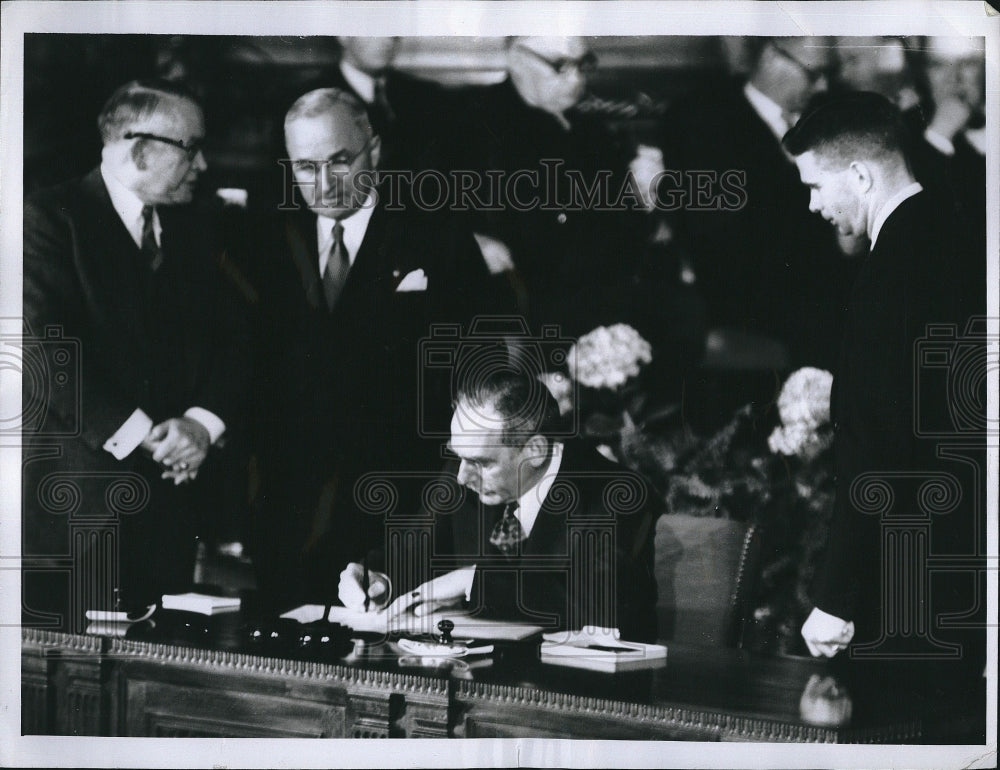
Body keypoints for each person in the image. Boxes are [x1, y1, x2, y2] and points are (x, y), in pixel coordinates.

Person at [249, 88, 497, 608]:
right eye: (305, 166)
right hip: (286, 514)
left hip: (398, 516)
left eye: (340, 161)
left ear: (375, 151)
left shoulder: (440, 240)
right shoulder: (263, 239)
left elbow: (475, 380)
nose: (323, 183)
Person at [22, 79, 252, 629]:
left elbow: (236, 340)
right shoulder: (48, 218)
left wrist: (200, 426)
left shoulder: (195, 229)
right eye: (190, 148)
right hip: (76, 514)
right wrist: (145, 437)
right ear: (141, 149)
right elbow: (44, 349)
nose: (201, 165)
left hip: (170, 513)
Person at [783, 93, 983, 661]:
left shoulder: (891, 273)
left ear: (860, 176)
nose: (814, 206)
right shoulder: (956, 235)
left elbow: (877, 447)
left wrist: (836, 599)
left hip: (915, 577)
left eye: (816, 187)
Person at [338, 370, 660, 642]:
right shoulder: (462, 471)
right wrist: (377, 578)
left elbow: (599, 601)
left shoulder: (616, 493)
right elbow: (412, 552)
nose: (462, 477)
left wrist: (473, 581)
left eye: (481, 462)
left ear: (534, 450)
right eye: (458, 455)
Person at [660, 37, 858, 382]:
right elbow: (717, 242)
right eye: (815, 73)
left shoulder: (830, 115)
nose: (823, 85)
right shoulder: (702, 119)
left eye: (829, 73)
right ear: (771, 56)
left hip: (831, 295)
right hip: (757, 309)